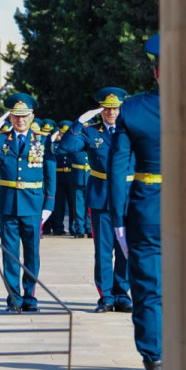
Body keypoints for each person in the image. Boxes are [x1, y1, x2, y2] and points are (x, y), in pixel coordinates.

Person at [111, 34, 162, 370]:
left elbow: (117, 171)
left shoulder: (133, 110)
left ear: (157, 71)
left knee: (148, 292)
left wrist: (117, 218)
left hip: (149, 212)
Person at [0, 93, 54, 312]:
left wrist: (49, 204)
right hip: (8, 203)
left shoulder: (43, 140)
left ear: (32, 116)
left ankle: (30, 296)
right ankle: (14, 297)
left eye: (24, 115)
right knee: (9, 253)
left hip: (34, 204)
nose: (20, 120)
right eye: (15, 116)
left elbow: (50, 174)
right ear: (9, 118)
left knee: (32, 252)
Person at [57, 88, 132, 313]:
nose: (111, 112)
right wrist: (79, 122)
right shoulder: (91, 132)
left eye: (115, 108)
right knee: (103, 250)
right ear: (100, 110)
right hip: (101, 197)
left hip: (128, 197)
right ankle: (106, 296)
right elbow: (66, 147)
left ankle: (122, 294)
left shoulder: (131, 131)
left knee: (125, 248)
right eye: (107, 109)